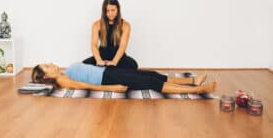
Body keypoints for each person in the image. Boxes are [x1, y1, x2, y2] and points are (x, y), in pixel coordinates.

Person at [31, 62, 216, 94]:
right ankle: (198, 90)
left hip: (107, 72)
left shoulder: (64, 72)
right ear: (47, 75)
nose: (51, 63)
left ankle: (192, 80)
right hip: (107, 80)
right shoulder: (62, 80)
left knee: (149, 74)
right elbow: (84, 85)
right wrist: (110, 89)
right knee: (151, 82)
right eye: (47, 66)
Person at [82, 0, 138, 69]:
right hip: (102, 57)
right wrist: (99, 60)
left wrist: (114, 62)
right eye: (107, 11)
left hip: (119, 59)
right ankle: (109, 71)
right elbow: (94, 44)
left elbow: (122, 46)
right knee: (82, 66)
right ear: (104, 11)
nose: (110, 13)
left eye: (113, 10)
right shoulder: (96, 25)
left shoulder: (125, 25)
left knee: (133, 64)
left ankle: (108, 71)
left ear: (118, 9)